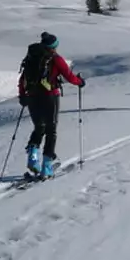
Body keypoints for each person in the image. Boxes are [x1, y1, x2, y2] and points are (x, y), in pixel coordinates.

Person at [18, 32, 85, 178]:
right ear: (54, 46)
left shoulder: (31, 57)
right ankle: (46, 167)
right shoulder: (55, 59)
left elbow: (22, 78)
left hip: (32, 97)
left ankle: (33, 159)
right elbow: (69, 76)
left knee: (39, 127)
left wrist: (22, 96)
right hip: (50, 97)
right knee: (51, 130)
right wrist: (80, 82)